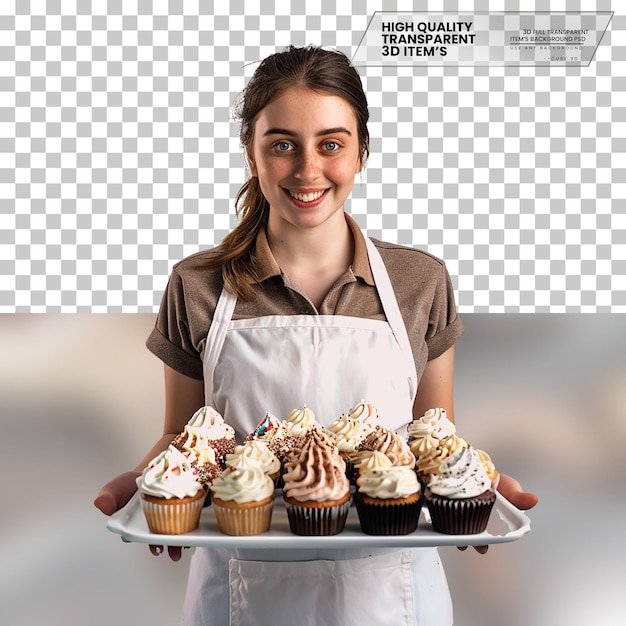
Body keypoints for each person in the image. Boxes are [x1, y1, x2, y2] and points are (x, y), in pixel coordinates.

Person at [95, 45, 538, 625]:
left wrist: (475, 486)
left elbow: (436, 437)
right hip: (241, 592)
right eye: (282, 144)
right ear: (252, 154)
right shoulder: (197, 285)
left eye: (331, 143)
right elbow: (184, 437)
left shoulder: (418, 281)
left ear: (361, 154)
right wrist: (150, 483)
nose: (308, 170)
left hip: (390, 595)